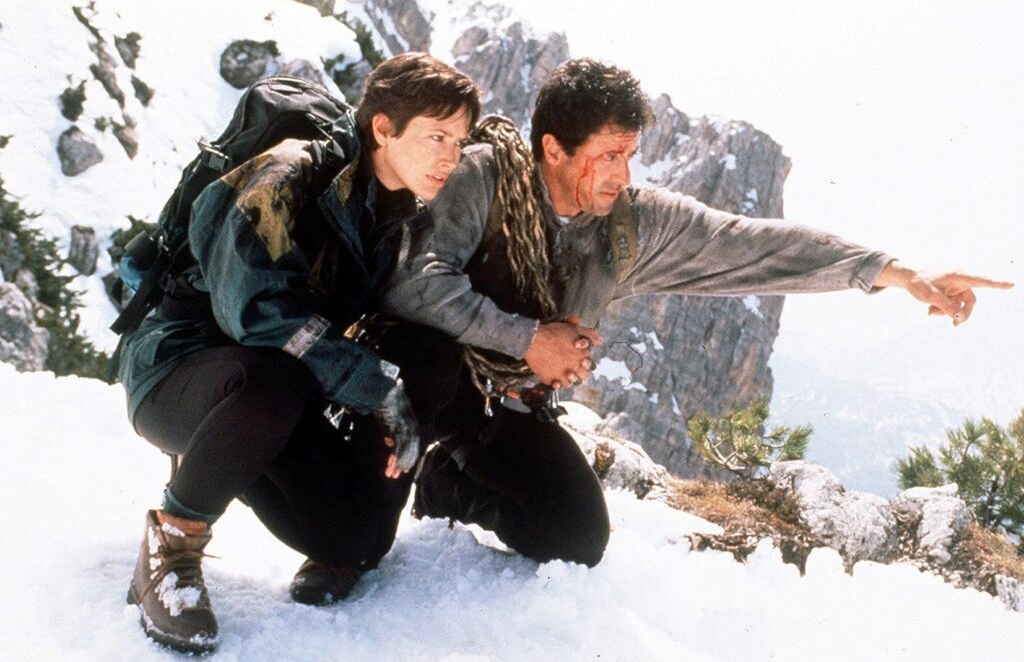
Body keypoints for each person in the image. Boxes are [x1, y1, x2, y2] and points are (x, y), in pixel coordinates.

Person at [380, 57, 1013, 569]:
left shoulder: (628, 225)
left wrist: (896, 273)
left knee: (575, 538)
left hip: (508, 407)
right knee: (361, 536)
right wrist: (531, 341)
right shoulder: (482, 176)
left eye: (630, 154)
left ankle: (450, 483)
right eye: (608, 154)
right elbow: (415, 284)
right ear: (553, 147)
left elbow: (752, 245)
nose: (623, 174)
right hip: (429, 383)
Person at [118, 53, 480, 653]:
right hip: (180, 371)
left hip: (276, 395)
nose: (451, 157)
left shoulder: (393, 210)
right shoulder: (285, 175)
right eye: (437, 136)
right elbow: (258, 314)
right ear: (383, 127)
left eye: (459, 141)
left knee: (356, 539)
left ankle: (336, 525)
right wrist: (376, 386)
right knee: (277, 378)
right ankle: (172, 543)